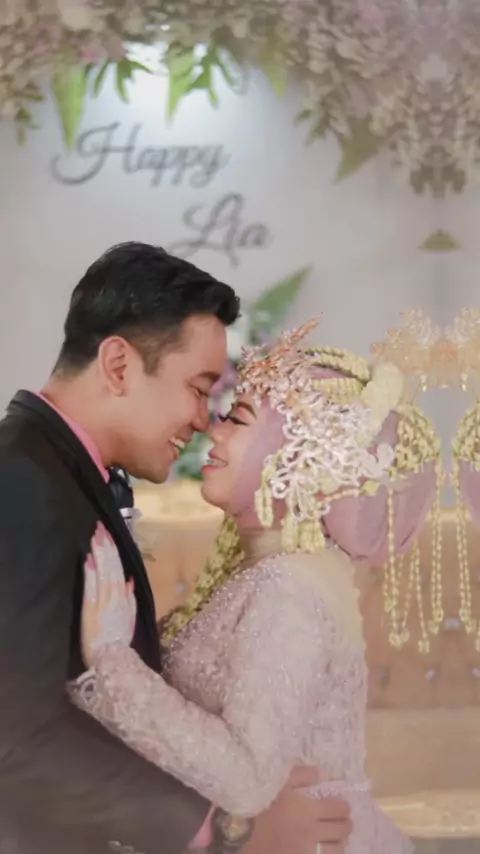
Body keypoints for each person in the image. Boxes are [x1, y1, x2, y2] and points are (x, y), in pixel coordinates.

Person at [0, 244, 351, 854]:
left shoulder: (54, 470)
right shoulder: (22, 481)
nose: (203, 420)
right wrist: (218, 830)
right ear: (118, 364)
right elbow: (16, 738)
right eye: (198, 388)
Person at [72, 321, 442, 852]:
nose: (213, 430)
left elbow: (247, 779)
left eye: (238, 419)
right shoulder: (275, 573)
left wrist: (111, 664)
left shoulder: (291, 589)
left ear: (298, 456)